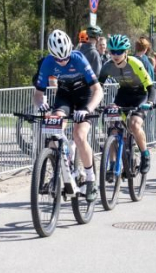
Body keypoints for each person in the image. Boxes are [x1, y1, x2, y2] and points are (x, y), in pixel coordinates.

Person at [33, 29, 104, 201]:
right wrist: (41, 104)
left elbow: (98, 90)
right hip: (64, 96)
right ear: (52, 55)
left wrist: (87, 110)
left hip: (84, 97)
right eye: (59, 59)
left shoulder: (78, 58)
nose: (63, 61)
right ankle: (61, 168)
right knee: (54, 132)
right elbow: (38, 94)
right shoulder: (48, 62)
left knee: (79, 136)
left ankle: (90, 179)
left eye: (65, 57)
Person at [97, 34, 156, 174]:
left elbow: (150, 87)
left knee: (135, 125)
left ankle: (145, 155)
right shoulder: (107, 67)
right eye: (112, 52)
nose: (115, 55)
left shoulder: (135, 63)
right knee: (112, 127)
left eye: (119, 52)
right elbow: (98, 88)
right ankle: (112, 163)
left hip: (140, 95)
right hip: (123, 95)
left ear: (126, 52)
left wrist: (150, 102)